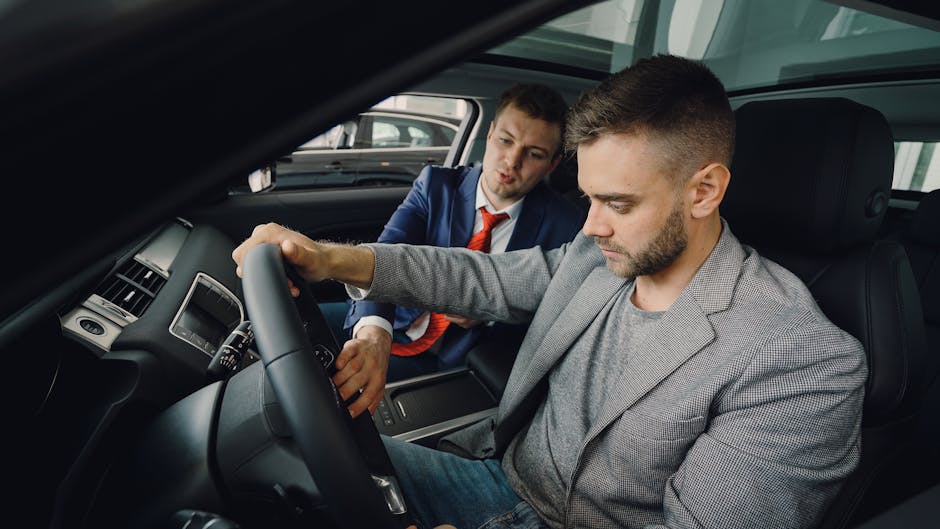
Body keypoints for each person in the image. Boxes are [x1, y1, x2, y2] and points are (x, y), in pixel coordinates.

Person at [232, 54, 867, 529]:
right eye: (588, 197)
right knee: (267, 446)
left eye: (617, 203)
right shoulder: (603, 251)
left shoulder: (800, 363)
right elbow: (479, 277)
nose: (590, 226)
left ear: (703, 191)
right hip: (492, 473)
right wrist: (326, 257)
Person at [341, 83, 584, 383]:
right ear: (491, 133)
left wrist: (492, 313)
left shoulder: (568, 225)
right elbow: (385, 251)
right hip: (395, 327)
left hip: (469, 368)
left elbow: (556, 321)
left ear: (552, 164)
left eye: (533, 154)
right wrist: (373, 332)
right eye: (505, 141)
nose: (512, 161)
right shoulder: (435, 186)